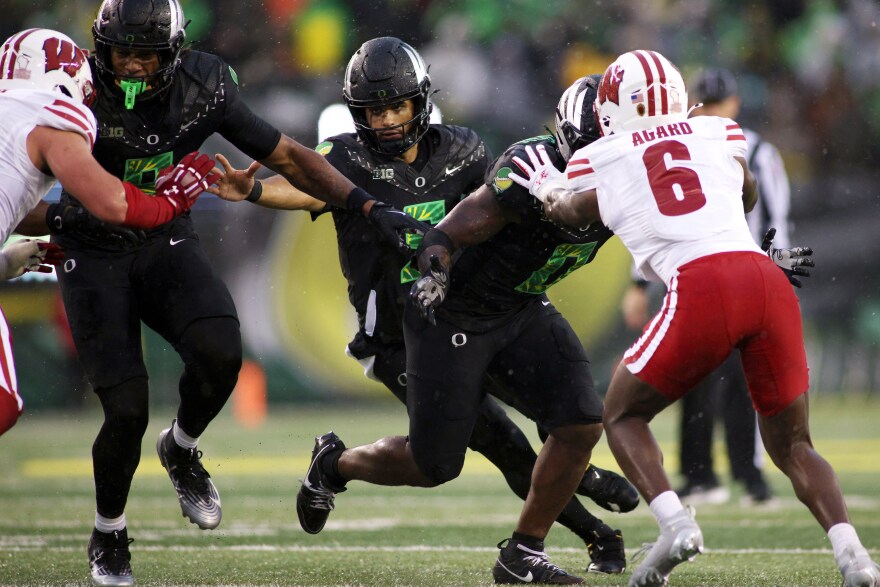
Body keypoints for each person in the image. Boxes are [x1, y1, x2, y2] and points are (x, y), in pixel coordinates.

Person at [15, 4, 422, 586]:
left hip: (161, 236)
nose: (130, 64)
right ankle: (109, 532)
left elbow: (285, 155)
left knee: (221, 351)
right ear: (98, 48)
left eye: (145, 52)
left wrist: (362, 203)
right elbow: (15, 190)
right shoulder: (68, 93)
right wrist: (61, 216)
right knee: (125, 409)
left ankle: (181, 446)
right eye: (120, 50)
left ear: (174, 53)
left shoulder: (203, 86)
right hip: (89, 247)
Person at [211, 40, 637, 578]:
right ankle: (335, 464)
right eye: (374, 110)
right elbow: (307, 190)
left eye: (397, 106)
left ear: (421, 102)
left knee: (558, 419)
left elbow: (490, 222)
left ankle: (583, 525)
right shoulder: (348, 158)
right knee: (475, 448)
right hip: (395, 333)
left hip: (467, 311)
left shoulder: (463, 149)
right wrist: (255, 194)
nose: (387, 120)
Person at [512, 48, 880, 587]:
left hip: (703, 283)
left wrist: (547, 185)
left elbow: (570, 211)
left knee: (619, 415)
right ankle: (855, 558)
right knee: (795, 444)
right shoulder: (718, 131)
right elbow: (747, 193)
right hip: (764, 278)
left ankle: (675, 524)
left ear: (613, 104)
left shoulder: (603, 154)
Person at [0, 27, 216, 437]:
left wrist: (5, 261)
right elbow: (112, 204)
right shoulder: (51, 118)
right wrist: (169, 203)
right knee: (2, 405)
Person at [619, 66, 796, 505]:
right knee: (695, 380)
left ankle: (750, 474)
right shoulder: (670, 145)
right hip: (693, 276)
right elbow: (648, 218)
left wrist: (777, 269)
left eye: (720, 104)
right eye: (707, 104)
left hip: (743, 274)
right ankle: (701, 475)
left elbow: (775, 219)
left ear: (734, 105)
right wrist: (637, 285)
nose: (714, 111)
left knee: (745, 384)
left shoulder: (755, 151)